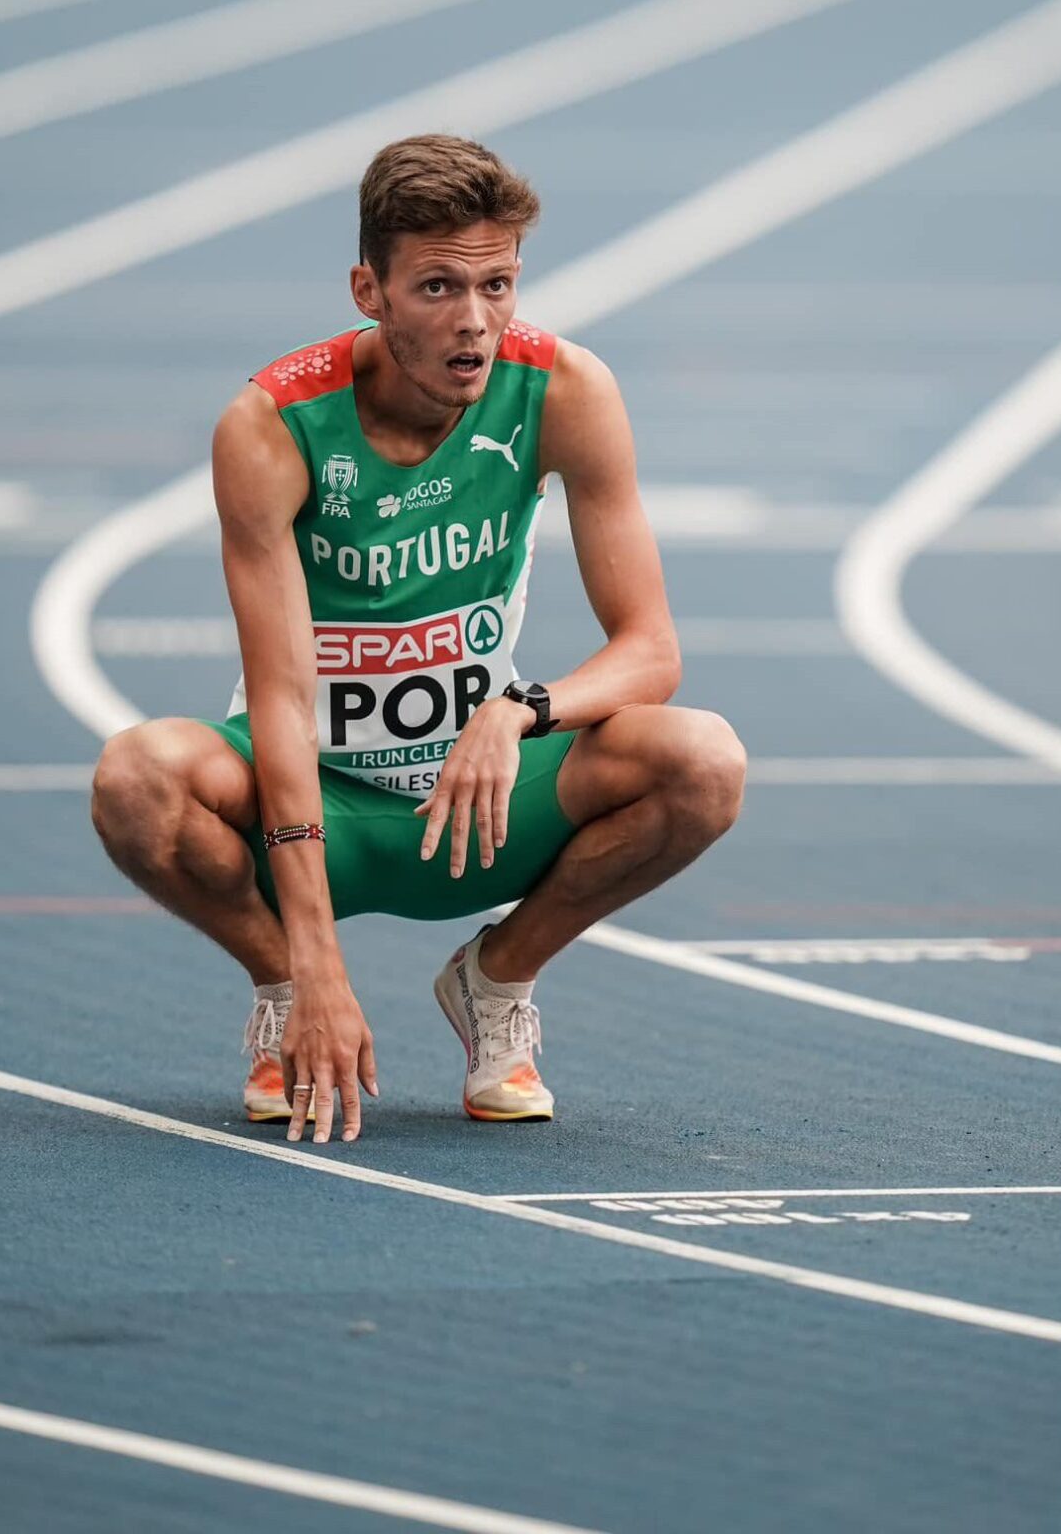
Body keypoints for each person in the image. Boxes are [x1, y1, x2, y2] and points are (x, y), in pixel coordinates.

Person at [90, 134, 745, 1144]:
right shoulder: (272, 426)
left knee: (703, 761)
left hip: (475, 803)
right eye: (438, 287)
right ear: (370, 290)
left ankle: (497, 980)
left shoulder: (565, 390)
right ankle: (275, 991)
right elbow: (277, 694)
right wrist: (312, 964)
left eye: (498, 285)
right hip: (315, 806)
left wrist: (518, 711)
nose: (474, 322)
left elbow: (651, 651)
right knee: (135, 779)